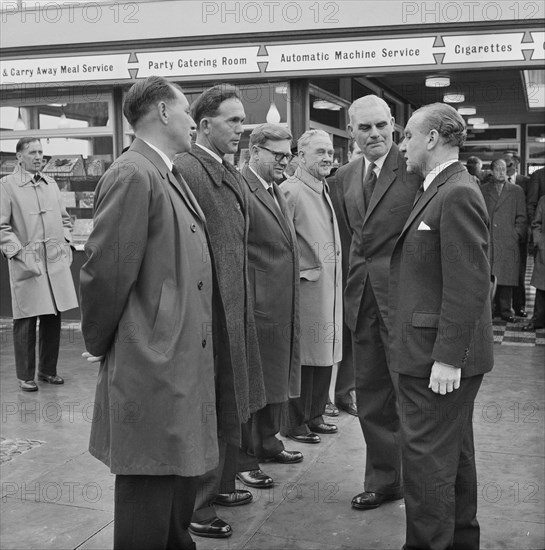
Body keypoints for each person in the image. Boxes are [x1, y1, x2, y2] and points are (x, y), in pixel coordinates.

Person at [79, 76, 218, 550]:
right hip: (151, 361)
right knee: (148, 483)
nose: (191, 121)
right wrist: (100, 341)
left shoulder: (166, 171)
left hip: (175, 358)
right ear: (161, 111)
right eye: (185, 111)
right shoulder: (133, 173)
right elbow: (106, 272)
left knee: (175, 479)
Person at [392, 102, 494, 550]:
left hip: (436, 358)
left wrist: (448, 358)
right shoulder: (439, 187)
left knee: (427, 467)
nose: (403, 145)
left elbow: (469, 283)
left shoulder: (457, 191)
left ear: (432, 138)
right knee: (453, 458)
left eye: (409, 135)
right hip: (433, 352)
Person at [174, 84, 266, 539]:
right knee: (210, 408)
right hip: (210, 316)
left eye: (242, 120)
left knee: (231, 403)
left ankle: (222, 484)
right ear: (204, 125)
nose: (240, 128)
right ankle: (198, 504)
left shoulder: (223, 169)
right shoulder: (189, 170)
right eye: (232, 120)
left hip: (233, 308)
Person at [336, 95, 420, 511]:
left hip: (404, 302)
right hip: (362, 301)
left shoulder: (414, 170)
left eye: (381, 126)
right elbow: (351, 240)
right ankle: (384, 480)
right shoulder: (345, 176)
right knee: (370, 396)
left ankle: (421, 483)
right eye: (364, 128)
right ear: (350, 132)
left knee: (412, 397)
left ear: (394, 125)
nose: (374, 135)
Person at [236, 123, 303, 490]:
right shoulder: (243, 190)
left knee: (274, 380)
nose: (285, 161)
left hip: (279, 304)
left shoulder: (274, 189)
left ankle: (267, 442)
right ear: (255, 151)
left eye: (288, 154)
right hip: (258, 306)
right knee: (252, 385)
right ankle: (246, 455)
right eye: (278, 155)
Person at [280, 129, 342, 444]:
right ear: (301, 156)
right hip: (306, 286)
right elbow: (279, 242)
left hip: (326, 287)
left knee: (324, 355)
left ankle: (314, 414)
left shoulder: (321, 187)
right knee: (305, 357)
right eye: (320, 151)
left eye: (329, 151)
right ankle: (293, 421)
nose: (327, 157)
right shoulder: (290, 190)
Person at [0, 137, 78, 392]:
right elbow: (2, 227)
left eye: (41, 152)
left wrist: (65, 243)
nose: (38, 157)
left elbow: (66, 220)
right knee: (25, 319)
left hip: (54, 261)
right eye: (32, 152)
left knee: (52, 316)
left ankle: (47, 370)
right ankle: (25, 375)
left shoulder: (51, 184)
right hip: (27, 261)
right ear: (19, 157)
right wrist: (18, 253)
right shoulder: (7, 185)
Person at [324, 138, 363, 418]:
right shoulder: (334, 182)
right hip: (335, 266)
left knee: (353, 333)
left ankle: (344, 392)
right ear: (350, 153)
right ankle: (324, 396)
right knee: (327, 335)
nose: (363, 159)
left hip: (362, 270)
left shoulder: (382, 182)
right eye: (358, 152)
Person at [480, 158, 527, 322]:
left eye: (503, 169)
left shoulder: (516, 190)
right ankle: (491, 310)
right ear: (491, 171)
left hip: (508, 240)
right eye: (498, 169)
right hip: (490, 240)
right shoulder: (483, 190)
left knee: (507, 277)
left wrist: (516, 234)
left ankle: (507, 311)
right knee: (490, 276)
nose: (502, 172)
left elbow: (522, 216)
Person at [503, 153, 531, 317]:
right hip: (500, 236)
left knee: (519, 272)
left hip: (518, 237)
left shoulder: (526, 182)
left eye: (510, 163)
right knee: (501, 272)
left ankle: (519, 305)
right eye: (504, 163)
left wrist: (519, 232)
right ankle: (501, 306)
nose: (507, 167)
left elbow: (528, 207)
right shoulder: (493, 183)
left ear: (517, 164)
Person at [523, 195, 545, 331]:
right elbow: (536, 223)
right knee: (542, 288)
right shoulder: (543, 200)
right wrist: (541, 243)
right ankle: (538, 320)